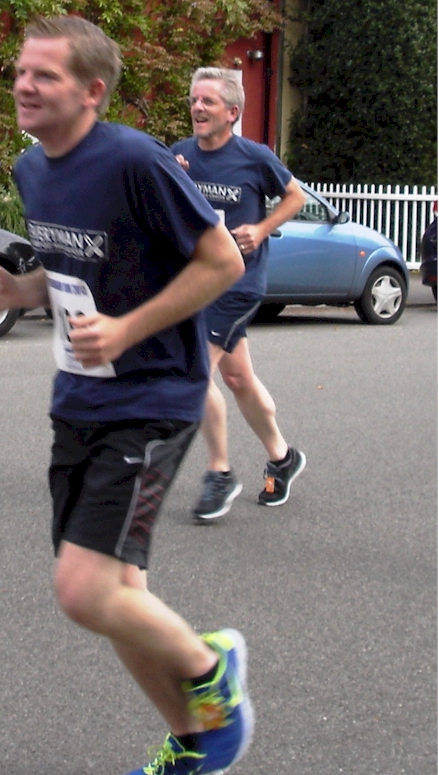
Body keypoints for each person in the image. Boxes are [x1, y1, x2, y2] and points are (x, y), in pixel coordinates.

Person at [0, 17, 253, 775]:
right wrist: (20, 289)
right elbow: (76, 270)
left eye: (46, 75)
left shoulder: (134, 160)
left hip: (153, 396)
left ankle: (213, 668)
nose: (24, 84)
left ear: (92, 92)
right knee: (116, 595)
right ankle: (193, 743)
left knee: (84, 589)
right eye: (21, 70)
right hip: (79, 398)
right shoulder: (33, 167)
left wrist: (128, 329)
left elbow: (223, 261)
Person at [171, 67, 307, 522]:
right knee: (238, 378)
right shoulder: (179, 155)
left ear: (232, 112)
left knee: (193, 372)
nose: (197, 107)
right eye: (194, 100)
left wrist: (262, 228)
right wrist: (172, 180)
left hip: (237, 283)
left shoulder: (254, 157)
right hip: (196, 279)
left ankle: (220, 472)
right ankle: (283, 457)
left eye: (207, 101)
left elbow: (295, 197)